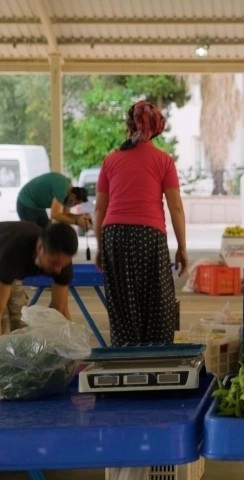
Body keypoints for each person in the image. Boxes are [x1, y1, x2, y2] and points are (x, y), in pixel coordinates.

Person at [93, 100, 188, 346]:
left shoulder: (111, 160)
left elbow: (99, 209)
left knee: (123, 306)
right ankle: (156, 363)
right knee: (157, 304)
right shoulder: (163, 160)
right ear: (156, 128)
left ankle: (126, 362)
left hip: (114, 234)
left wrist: (101, 247)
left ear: (129, 124)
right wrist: (182, 247)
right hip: (149, 235)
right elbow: (175, 206)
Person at [0, 221, 78, 335]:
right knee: (4, 327)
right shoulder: (13, 255)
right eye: (54, 263)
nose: (58, 270)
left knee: (20, 324)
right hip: (6, 257)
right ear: (40, 247)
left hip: (9, 266)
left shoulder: (61, 261)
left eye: (63, 264)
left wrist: (70, 345)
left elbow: (60, 309)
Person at [16, 172, 92, 230]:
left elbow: (66, 214)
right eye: (75, 203)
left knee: (47, 231)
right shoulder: (62, 190)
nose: (74, 205)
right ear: (73, 195)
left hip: (37, 205)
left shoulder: (68, 193)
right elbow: (55, 214)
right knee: (32, 233)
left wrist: (80, 217)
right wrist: (76, 222)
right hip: (26, 202)